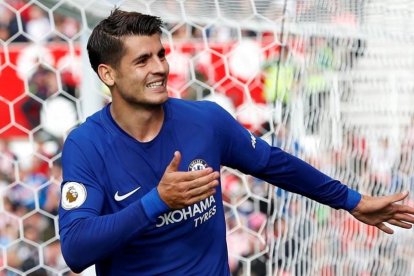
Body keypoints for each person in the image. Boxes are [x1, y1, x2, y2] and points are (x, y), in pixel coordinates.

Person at [58, 8, 414, 275]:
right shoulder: (87, 145)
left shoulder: (206, 120)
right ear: (108, 73)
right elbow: (75, 250)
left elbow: (274, 163)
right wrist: (158, 201)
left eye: (161, 55)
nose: (160, 68)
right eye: (142, 60)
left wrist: (351, 201)